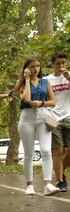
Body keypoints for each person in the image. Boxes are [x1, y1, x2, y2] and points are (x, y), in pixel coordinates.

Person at [12, 57, 59, 196]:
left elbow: (53, 102)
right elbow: (26, 98)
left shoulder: (46, 82)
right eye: (33, 66)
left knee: (45, 150)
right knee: (29, 154)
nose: (36, 69)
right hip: (26, 118)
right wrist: (26, 80)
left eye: (38, 66)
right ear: (26, 69)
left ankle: (48, 184)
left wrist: (41, 103)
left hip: (43, 116)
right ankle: (30, 185)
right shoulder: (20, 84)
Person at [43, 51, 70, 192]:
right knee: (58, 150)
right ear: (53, 64)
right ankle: (60, 181)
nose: (61, 66)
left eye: (63, 63)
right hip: (53, 117)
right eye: (58, 63)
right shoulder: (47, 80)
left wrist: (68, 78)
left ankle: (60, 171)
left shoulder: (69, 76)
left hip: (69, 116)